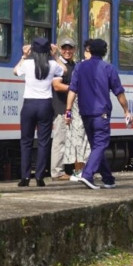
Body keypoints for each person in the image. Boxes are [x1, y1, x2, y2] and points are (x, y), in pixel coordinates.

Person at [67, 38, 133, 189]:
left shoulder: (79, 67)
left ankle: (108, 179)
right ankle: (87, 174)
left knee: (96, 145)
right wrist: (126, 111)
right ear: (104, 52)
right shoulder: (108, 68)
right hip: (100, 113)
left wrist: (68, 110)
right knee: (101, 144)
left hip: (85, 113)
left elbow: (72, 90)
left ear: (89, 50)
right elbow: (119, 92)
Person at [13, 36, 64, 187]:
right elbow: (65, 70)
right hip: (45, 105)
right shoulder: (53, 64)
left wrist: (24, 56)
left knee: (26, 141)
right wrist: (55, 55)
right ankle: (40, 177)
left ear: (33, 49)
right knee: (43, 142)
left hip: (29, 104)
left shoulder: (27, 64)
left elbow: (15, 71)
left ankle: (25, 177)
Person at [51, 41, 88, 179]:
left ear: (75, 49)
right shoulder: (58, 66)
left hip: (72, 108)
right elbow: (56, 85)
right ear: (60, 49)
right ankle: (57, 172)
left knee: (71, 140)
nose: (67, 51)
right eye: (64, 48)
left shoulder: (73, 65)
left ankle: (71, 170)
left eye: (70, 48)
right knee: (60, 139)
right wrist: (75, 89)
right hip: (61, 107)